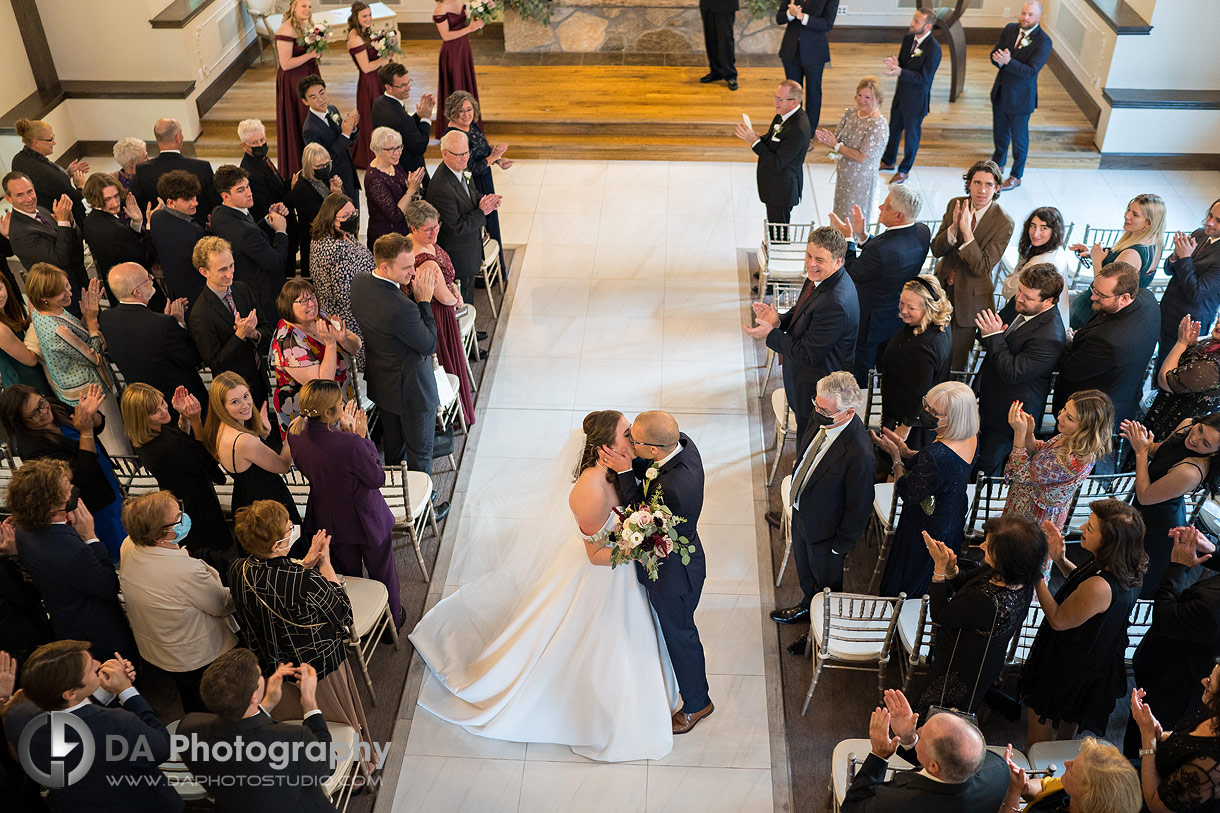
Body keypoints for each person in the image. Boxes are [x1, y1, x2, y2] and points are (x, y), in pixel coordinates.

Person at [411, 411, 678, 759]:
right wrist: (638, 546)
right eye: (626, 433)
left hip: (620, 569)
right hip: (601, 574)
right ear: (604, 448)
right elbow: (595, 554)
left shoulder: (620, 468)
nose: (633, 438)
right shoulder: (591, 489)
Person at [228, 500, 372, 762]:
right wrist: (324, 563)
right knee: (333, 721)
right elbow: (343, 612)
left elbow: (275, 586)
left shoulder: (239, 569)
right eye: (289, 528)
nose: (293, 529)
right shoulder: (305, 581)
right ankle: (358, 766)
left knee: (292, 727)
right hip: (316, 666)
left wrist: (303, 564)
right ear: (275, 545)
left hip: (273, 666)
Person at [601, 411, 712, 735]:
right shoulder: (681, 443)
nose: (628, 444)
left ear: (653, 449)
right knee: (675, 632)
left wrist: (623, 471)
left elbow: (642, 521)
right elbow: (649, 469)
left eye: (633, 442)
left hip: (675, 576)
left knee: (681, 636)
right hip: (680, 552)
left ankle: (697, 703)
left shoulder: (676, 488)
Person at [1020, 499, 1146, 746]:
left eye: (1091, 528)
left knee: (1042, 719)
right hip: (1095, 658)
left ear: (1110, 542)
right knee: (1068, 719)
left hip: (1073, 663)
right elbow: (1085, 591)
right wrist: (1060, 559)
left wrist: (1035, 574)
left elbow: (1058, 619)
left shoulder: (1101, 586)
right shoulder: (1126, 564)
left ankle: (1038, 768)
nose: (1083, 529)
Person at [4, 639, 181, 812]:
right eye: (90, 668)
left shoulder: (16, 716)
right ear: (70, 693)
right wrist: (126, 690)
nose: (98, 664)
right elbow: (162, 747)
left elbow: (74, 713)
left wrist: (106, 690)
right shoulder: (119, 723)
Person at [768, 373, 874, 656]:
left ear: (848, 412)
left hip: (828, 536)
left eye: (825, 410)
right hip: (804, 515)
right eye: (817, 404)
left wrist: (840, 547)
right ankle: (806, 606)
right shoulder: (823, 415)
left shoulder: (860, 453)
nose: (817, 413)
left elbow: (859, 507)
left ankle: (818, 631)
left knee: (827, 587)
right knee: (805, 572)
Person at [288, 380, 401, 624]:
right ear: (329, 413)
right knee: (382, 571)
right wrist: (361, 438)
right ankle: (392, 620)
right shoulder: (351, 444)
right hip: (365, 519)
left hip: (327, 518)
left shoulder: (294, 434)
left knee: (348, 577)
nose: (343, 405)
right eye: (340, 403)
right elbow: (377, 478)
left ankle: (359, 619)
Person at [118, 491, 237, 714]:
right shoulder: (185, 571)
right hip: (194, 654)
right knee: (207, 698)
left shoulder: (129, 545)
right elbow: (221, 605)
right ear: (158, 535)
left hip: (159, 645)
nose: (184, 516)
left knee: (188, 693)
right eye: (177, 518)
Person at [6, 459, 135, 661]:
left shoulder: (23, 530)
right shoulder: (72, 552)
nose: (73, 489)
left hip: (65, 622)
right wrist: (90, 536)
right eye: (67, 488)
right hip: (99, 633)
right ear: (51, 504)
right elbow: (108, 585)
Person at [917, 516, 1043, 718]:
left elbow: (940, 614)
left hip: (963, 666)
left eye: (989, 545)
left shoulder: (987, 601)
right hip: (984, 656)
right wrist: (951, 570)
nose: (982, 545)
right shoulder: (1016, 575)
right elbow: (967, 583)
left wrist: (939, 570)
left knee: (938, 712)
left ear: (1008, 557)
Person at [178, 650, 334, 811]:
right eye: (259, 675)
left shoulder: (188, 730)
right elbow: (327, 765)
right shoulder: (295, 739)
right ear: (253, 696)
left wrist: (267, 703)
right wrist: (310, 704)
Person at [745, 226, 859, 442]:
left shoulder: (835, 303)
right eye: (808, 255)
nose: (811, 264)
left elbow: (808, 355)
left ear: (838, 261)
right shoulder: (819, 277)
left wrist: (771, 334)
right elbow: (803, 312)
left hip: (816, 386)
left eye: (819, 259)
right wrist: (778, 319)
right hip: (805, 377)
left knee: (808, 438)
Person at [350, 234, 445, 490]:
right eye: (406, 268)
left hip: (383, 384)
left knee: (393, 452)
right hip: (413, 391)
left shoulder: (359, 282)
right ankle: (425, 506)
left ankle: (393, 495)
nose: (413, 272)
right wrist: (423, 301)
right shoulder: (404, 308)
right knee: (420, 454)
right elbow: (428, 345)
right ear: (385, 266)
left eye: (413, 264)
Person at [873, 380, 978, 598]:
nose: (926, 412)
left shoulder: (936, 455)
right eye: (926, 405)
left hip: (926, 524)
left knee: (914, 574)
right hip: (953, 513)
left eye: (934, 412)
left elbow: (908, 494)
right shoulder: (971, 436)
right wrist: (908, 452)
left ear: (953, 418)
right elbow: (943, 471)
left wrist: (896, 458)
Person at [0, 384, 127, 560]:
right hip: (95, 501)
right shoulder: (33, 449)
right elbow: (81, 476)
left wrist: (91, 416)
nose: (43, 412)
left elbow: (96, 426)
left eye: (41, 404)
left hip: (106, 482)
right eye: (34, 414)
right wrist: (86, 430)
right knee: (121, 549)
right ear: (20, 422)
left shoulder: (52, 405)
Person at [1125, 525, 1220, 757]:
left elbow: (1164, 617)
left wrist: (1178, 567)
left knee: (1142, 746)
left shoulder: (1212, 609)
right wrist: (1211, 551)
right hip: (1183, 667)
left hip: (1176, 682)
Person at [841, 687, 1009, 812]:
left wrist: (879, 755)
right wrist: (909, 739)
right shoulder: (999, 770)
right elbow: (946, 761)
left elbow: (850, 809)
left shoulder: (895, 802)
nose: (918, 730)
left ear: (934, 766)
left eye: (923, 734)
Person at [828, 184, 930, 384]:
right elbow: (887, 259)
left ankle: (860, 404)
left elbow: (851, 272)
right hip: (898, 316)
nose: (880, 207)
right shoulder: (922, 232)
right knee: (887, 363)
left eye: (886, 206)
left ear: (899, 216)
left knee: (860, 371)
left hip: (870, 321)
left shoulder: (881, 251)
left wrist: (848, 239)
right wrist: (864, 236)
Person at [972, 263, 1067, 476]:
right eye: (1020, 291)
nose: (1019, 298)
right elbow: (987, 331)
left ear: (1048, 301)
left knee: (987, 470)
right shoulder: (1022, 303)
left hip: (1010, 413)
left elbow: (1012, 373)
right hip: (989, 397)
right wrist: (989, 333)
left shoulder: (1050, 336)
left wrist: (993, 336)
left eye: (1028, 297)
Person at [25, 264, 129, 455]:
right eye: (60, 291)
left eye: (66, 285)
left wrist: (86, 319)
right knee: (116, 443)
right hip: (90, 392)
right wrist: (91, 320)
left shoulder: (40, 311)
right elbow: (95, 357)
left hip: (73, 389)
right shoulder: (58, 330)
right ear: (43, 298)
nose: (68, 292)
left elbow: (77, 339)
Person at [122, 383, 232, 557]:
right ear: (141, 418)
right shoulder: (164, 448)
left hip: (182, 499)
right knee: (212, 548)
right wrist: (196, 421)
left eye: (163, 403)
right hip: (196, 505)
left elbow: (180, 442)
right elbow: (208, 467)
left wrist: (184, 417)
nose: (164, 411)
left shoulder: (146, 437)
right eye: (155, 411)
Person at [1052, 261, 1161, 430]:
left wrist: (1068, 342)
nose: (1092, 297)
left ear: (1125, 298)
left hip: (1089, 414)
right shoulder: (1147, 298)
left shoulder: (1109, 340)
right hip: (1125, 389)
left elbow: (1069, 369)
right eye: (1094, 289)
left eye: (1101, 295)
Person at [1122, 414, 1220, 599]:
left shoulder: (1191, 471)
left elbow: (1145, 496)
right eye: (1199, 429)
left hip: (1159, 522)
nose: (1194, 438)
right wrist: (1143, 441)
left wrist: (1140, 452)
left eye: (1205, 443)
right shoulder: (1187, 425)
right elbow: (1159, 451)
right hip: (1146, 507)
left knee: (1131, 581)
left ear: (1215, 452)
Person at [931, 159, 1015, 370]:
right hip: (941, 290)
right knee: (932, 349)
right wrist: (952, 229)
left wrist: (967, 234)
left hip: (970, 301)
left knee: (955, 361)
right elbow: (936, 250)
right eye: (977, 183)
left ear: (997, 188)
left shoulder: (1004, 222)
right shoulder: (955, 204)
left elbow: (982, 267)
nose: (982, 190)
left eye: (988, 184)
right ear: (968, 184)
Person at [98, 262, 205, 421]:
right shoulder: (163, 325)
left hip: (145, 406)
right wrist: (178, 323)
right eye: (147, 278)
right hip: (180, 403)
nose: (152, 278)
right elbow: (192, 358)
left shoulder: (106, 318)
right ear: (137, 292)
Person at [204, 372, 301, 535]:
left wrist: (262, 436)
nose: (245, 405)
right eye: (235, 401)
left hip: (245, 497)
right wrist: (291, 433)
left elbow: (247, 459)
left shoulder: (219, 430)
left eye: (246, 396)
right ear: (221, 407)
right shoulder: (244, 440)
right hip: (267, 505)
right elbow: (283, 465)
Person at [1003, 389, 1113, 532]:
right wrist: (1029, 434)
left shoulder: (1073, 460)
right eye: (1064, 410)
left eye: (1070, 418)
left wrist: (1019, 433)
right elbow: (1042, 453)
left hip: (1032, 518)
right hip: (1024, 502)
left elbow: (1021, 473)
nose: (1060, 416)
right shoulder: (1071, 436)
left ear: (1086, 428)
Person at [406, 199, 474, 426]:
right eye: (428, 229)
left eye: (437, 226)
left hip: (434, 306)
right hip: (438, 313)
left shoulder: (411, 242)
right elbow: (444, 297)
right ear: (413, 228)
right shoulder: (425, 263)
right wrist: (457, 297)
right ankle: (453, 415)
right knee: (445, 359)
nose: (435, 232)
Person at [188, 236, 274, 410]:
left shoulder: (241, 288)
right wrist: (239, 335)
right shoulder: (200, 313)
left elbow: (267, 328)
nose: (230, 274)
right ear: (204, 272)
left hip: (259, 380)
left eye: (231, 265)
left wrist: (254, 334)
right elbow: (215, 363)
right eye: (222, 270)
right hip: (234, 394)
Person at [270, 278, 361, 433]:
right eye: (304, 301)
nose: (312, 304)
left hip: (339, 403)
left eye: (312, 297)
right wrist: (332, 344)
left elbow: (356, 346)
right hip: (310, 416)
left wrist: (343, 340)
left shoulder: (320, 318)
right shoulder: (287, 341)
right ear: (288, 306)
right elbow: (322, 384)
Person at [1067, 193, 1166, 330]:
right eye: (1128, 209)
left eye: (1135, 214)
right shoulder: (1155, 242)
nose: (1127, 215)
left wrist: (1097, 260)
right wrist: (1093, 253)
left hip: (1095, 309)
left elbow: (1103, 289)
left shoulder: (1131, 254)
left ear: (1149, 223)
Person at [1131, 661, 1220, 813]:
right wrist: (1158, 732)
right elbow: (1190, 740)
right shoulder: (1214, 715)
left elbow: (1155, 806)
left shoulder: (1211, 766)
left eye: (1211, 681)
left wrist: (1148, 739)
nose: (1203, 681)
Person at [424, 129, 502, 301]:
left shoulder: (460, 169)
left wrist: (485, 200)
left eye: (467, 152)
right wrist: (482, 212)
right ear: (444, 153)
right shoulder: (441, 188)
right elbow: (454, 227)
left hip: (470, 247)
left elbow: (470, 195)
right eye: (459, 154)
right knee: (463, 299)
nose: (465, 158)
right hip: (458, 254)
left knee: (469, 292)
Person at [879, 275, 952, 448]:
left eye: (910, 307)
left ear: (929, 308)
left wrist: (905, 427)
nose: (902, 310)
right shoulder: (933, 325)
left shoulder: (924, 346)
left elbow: (920, 391)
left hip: (909, 425)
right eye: (902, 303)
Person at [210, 164, 291, 320]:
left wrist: (268, 220)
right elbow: (277, 263)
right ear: (226, 196)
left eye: (248, 186)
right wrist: (281, 231)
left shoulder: (218, 213)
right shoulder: (246, 232)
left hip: (244, 290)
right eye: (241, 190)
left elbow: (248, 236)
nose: (249, 193)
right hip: (263, 297)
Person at [989, 1, 1053, 190]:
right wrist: (998, 60)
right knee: (999, 133)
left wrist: (1008, 61)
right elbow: (996, 51)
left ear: (1039, 17)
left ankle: (1016, 175)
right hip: (1001, 91)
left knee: (1019, 140)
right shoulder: (1010, 29)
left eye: (1031, 15)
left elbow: (1031, 71)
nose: (1025, 18)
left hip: (1021, 98)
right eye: (1024, 13)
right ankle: (997, 164)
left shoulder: (1044, 41)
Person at [4, 171, 89, 309]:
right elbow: (60, 259)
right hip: (62, 298)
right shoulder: (20, 233)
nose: (29, 199)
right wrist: (62, 222)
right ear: (9, 198)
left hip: (79, 280)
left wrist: (70, 221)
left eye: (30, 191)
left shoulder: (41, 210)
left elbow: (76, 241)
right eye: (20, 195)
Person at [443, 91, 510, 262]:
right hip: (473, 184)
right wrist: (491, 158)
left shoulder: (471, 125)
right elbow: (469, 167)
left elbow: (483, 150)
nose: (466, 115)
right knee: (483, 223)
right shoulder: (454, 135)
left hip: (484, 177)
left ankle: (497, 265)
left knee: (492, 219)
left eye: (469, 109)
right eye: (461, 111)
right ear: (452, 112)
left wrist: (497, 160)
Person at [307, 192, 372, 368]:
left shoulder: (344, 234)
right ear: (330, 218)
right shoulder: (333, 248)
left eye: (354, 214)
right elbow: (344, 295)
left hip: (360, 311)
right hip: (348, 318)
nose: (352, 219)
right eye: (345, 216)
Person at [734, 80, 810, 225]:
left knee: (779, 236)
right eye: (775, 97)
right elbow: (773, 140)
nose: (776, 102)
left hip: (782, 190)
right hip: (774, 186)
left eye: (780, 99)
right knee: (773, 230)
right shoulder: (783, 114)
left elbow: (777, 162)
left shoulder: (798, 129)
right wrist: (758, 138)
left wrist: (755, 142)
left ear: (794, 102)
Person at [1000, 736, 1142, 813]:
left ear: (1087, 796)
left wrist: (1013, 795)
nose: (1066, 763)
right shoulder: (1073, 791)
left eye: (1073, 767)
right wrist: (1025, 787)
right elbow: (1044, 788)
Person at [880, 8, 941, 184]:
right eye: (913, 19)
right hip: (901, 94)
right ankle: (888, 160)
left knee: (911, 137)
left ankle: (904, 169)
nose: (912, 24)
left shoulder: (934, 49)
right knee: (894, 129)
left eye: (917, 21)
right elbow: (903, 64)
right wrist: (896, 65)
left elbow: (924, 78)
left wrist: (901, 71)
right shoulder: (908, 40)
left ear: (927, 26)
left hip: (916, 100)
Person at [814, 76, 889, 220]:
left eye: (868, 97)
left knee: (853, 218)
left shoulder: (878, 125)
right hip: (844, 177)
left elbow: (862, 156)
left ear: (878, 99)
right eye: (860, 95)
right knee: (840, 215)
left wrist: (835, 145)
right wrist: (828, 140)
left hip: (860, 181)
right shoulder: (850, 113)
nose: (862, 100)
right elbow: (837, 138)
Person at [1158, 199, 1220, 371]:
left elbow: (1196, 293)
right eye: (1210, 215)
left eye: (1218, 220)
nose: (1210, 222)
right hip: (1167, 310)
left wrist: (1185, 258)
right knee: (1159, 360)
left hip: (1189, 323)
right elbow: (1169, 270)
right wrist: (1175, 257)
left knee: (1172, 370)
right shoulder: (1200, 234)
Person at [80, 172, 153, 306]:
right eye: (107, 199)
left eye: (116, 196)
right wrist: (147, 224)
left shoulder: (90, 221)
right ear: (94, 199)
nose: (114, 203)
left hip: (116, 292)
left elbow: (125, 245)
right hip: (137, 296)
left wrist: (136, 222)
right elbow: (145, 260)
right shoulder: (116, 230)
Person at [238, 118, 298, 275]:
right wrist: (293, 190)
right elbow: (270, 208)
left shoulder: (262, 158)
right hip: (275, 232)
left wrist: (291, 181)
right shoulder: (250, 172)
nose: (260, 145)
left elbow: (277, 187)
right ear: (244, 146)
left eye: (262, 140)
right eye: (254, 143)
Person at [132, 118, 217, 228]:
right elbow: (216, 202)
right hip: (201, 229)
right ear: (178, 138)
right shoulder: (202, 167)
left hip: (163, 230)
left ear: (157, 139)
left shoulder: (143, 170)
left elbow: (135, 205)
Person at [1145, 315, 1220, 441]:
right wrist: (1189, 346)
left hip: (1173, 426)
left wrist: (1181, 343)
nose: (1219, 324)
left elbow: (1165, 381)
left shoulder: (1212, 369)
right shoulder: (1215, 343)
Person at [999, 206, 1074, 330]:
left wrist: (1013, 276)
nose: (1035, 233)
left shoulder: (1039, 263)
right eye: (1033, 226)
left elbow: (1008, 291)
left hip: (1034, 323)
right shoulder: (1057, 250)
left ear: (1054, 231)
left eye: (1043, 228)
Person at [274, 0, 323, 179]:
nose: (307, 9)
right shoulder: (285, 30)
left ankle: (317, 160)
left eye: (309, 6)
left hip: (309, 74)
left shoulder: (308, 26)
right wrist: (310, 54)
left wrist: (318, 51)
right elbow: (285, 64)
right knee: (301, 119)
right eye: (303, 6)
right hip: (294, 81)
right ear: (293, 7)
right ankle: (301, 164)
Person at [776, 0, 839, 133]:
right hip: (791, 51)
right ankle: (792, 130)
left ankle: (808, 133)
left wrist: (802, 17)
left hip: (814, 52)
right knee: (791, 94)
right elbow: (779, 18)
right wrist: (790, 13)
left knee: (813, 93)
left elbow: (827, 24)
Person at [10, 118, 87, 225]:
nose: (54, 142)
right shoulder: (41, 170)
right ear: (35, 142)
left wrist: (67, 173)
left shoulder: (18, 159)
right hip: (60, 221)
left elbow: (51, 186)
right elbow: (74, 197)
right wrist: (81, 186)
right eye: (50, 139)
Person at [372, 62, 434, 193]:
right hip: (408, 172)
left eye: (408, 82)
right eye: (403, 85)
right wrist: (426, 119)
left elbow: (404, 129)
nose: (408, 88)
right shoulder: (400, 117)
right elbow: (419, 146)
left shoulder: (379, 103)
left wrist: (418, 115)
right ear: (388, 87)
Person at [285, 142, 345, 277]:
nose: (324, 168)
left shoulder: (322, 177)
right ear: (308, 166)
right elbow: (321, 219)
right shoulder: (302, 188)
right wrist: (334, 196)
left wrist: (339, 191)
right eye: (319, 166)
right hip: (315, 242)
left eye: (326, 164)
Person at [300, 75, 361, 206]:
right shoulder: (309, 129)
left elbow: (347, 144)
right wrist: (345, 134)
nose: (320, 99)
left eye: (322, 93)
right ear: (305, 101)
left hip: (350, 175)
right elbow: (326, 162)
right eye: (313, 97)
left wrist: (352, 129)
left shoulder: (332, 109)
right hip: (335, 182)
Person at [148, 170, 207, 302]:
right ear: (170, 202)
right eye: (187, 200)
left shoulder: (156, 217)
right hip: (197, 294)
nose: (195, 203)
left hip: (174, 289)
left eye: (194, 197)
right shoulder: (194, 232)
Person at [365, 126, 424, 249]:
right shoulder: (375, 179)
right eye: (391, 149)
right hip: (387, 238)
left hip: (402, 230)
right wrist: (411, 190)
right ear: (379, 150)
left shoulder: (393, 164)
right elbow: (395, 215)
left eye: (399, 147)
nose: (397, 153)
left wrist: (409, 184)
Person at [346, 1, 389, 169]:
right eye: (364, 16)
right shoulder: (355, 38)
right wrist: (383, 59)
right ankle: (369, 155)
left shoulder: (363, 32)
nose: (368, 19)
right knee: (371, 118)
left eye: (370, 15)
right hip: (368, 83)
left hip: (375, 78)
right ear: (356, 17)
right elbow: (365, 67)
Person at [432, 0, 482, 137]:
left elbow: (464, 23)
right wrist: (469, 29)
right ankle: (455, 131)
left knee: (466, 84)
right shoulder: (440, 8)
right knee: (455, 86)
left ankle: (470, 126)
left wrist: (477, 20)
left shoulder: (460, 1)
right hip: (452, 53)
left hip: (464, 49)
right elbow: (446, 36)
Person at [0, 270, 50, 393]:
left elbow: (21, 331)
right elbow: (31, 360)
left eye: (0, 288)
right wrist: (33, 321)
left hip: (33, 377)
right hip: (25, 385)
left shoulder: (7, 310)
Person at [699, 0, 738, 89]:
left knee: (725, 40)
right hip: (707, 5)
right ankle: (716, 72)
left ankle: (730, 75)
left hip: (725, 5)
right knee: (710, 39)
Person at [112, 136, 149, 204]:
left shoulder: (115, 179)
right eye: (145, 157)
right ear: (132, 163)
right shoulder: (143, 181)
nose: (149, 159)